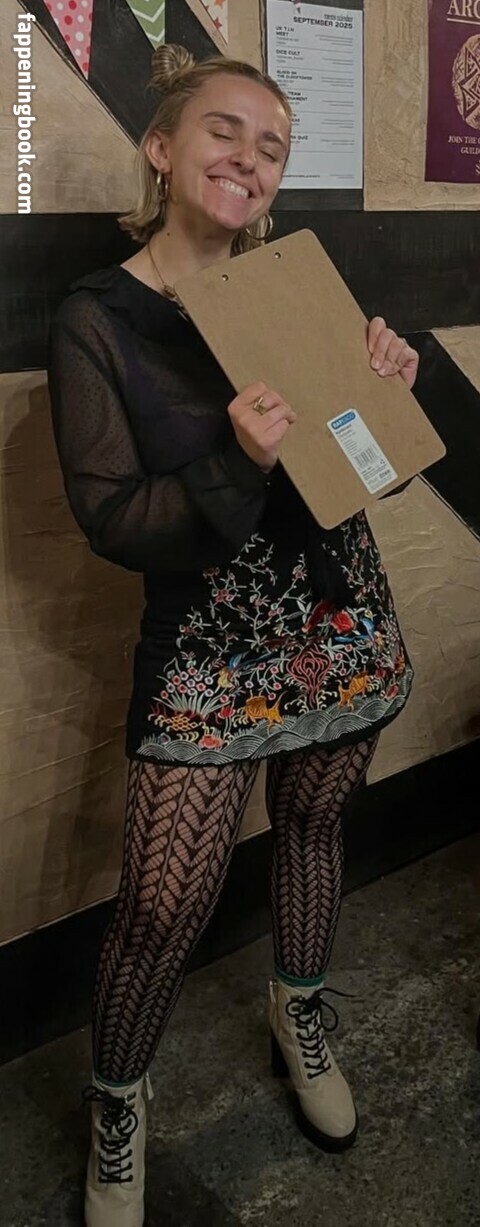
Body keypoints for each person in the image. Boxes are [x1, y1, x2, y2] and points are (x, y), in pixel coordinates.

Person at [47, 44, 419, 1227]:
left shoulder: (293, 286)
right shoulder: (99, 319)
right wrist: (237, 460)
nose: (249, 159)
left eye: (272, 148)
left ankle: (297, 1010)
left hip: (338, 617)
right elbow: (112, 518)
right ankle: (119, 1104)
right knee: (162, 907)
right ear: (161, 149)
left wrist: (386, 395)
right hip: (208, 652)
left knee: (312, 827)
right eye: (225, 131)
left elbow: (366, 469)